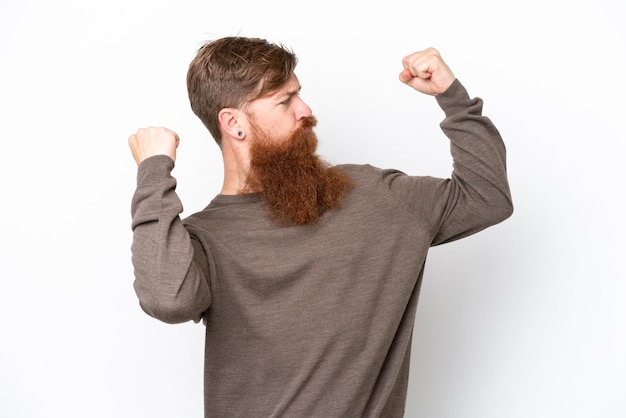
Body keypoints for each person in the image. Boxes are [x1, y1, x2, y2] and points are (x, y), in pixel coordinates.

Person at [128, 36, 513, 417]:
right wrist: (153, 171)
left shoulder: (375, 198)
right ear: (234, 124)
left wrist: (451, 96)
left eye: (299, 93)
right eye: (285, 100)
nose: (305, 110)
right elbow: (168, 299)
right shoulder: (205, 239)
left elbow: (486, 197)